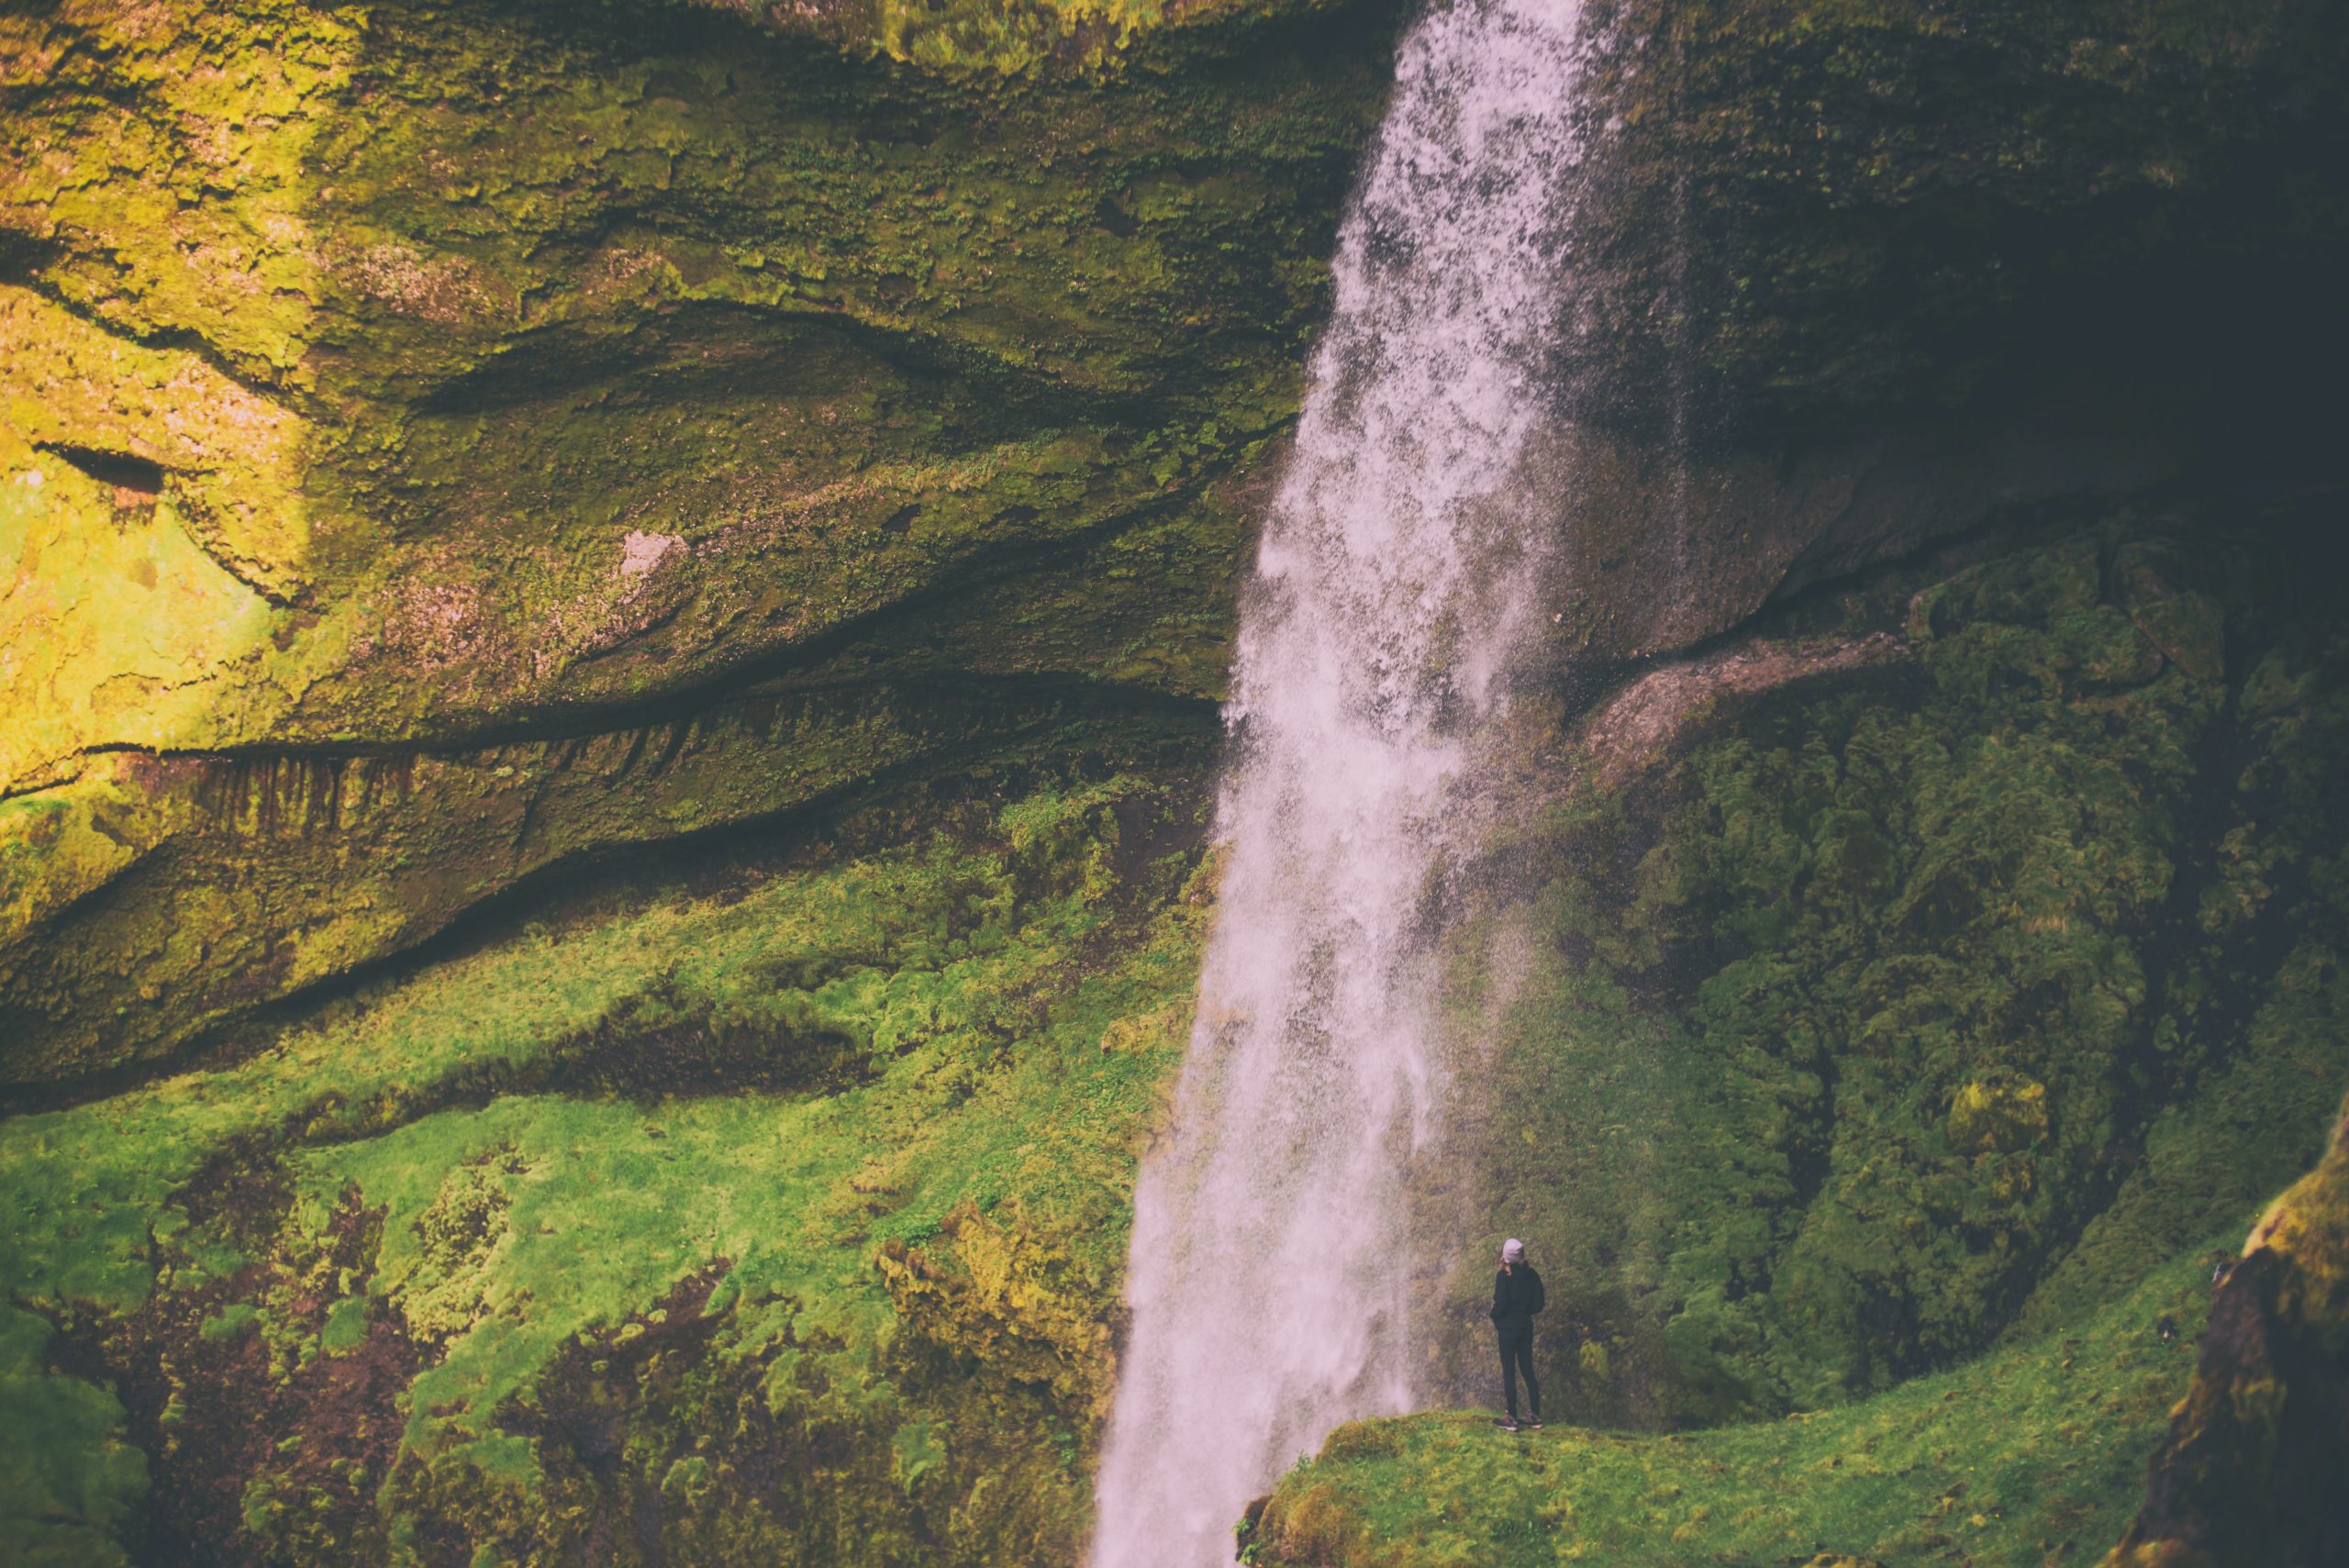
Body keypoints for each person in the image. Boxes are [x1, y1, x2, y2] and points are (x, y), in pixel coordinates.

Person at [1489, 1236, 1545, 1431]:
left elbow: (1501, 1303)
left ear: (1505, 1256)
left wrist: (1493, 1315)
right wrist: (1525, 1312)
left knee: (1509, 1371)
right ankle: (1535, 1415)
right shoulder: (1532, 1274)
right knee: (1527, 1369)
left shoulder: (1504, 1276)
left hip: (1507, 1330)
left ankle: (1511, 1417)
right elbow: (1539, 1303)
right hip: (1525, 1327)